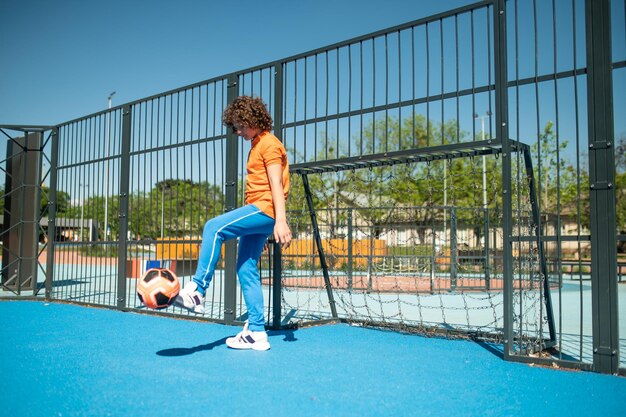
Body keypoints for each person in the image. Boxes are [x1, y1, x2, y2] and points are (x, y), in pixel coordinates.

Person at [174, 96, 291, 351]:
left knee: (213, 227)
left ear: (251, 119)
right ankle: (257, 333)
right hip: (262, 212)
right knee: (245, 268)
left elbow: (276, 185)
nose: (237, 132)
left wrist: (280, 221)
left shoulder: (269, 144)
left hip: (265, 209)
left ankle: (196, 291)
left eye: (239, 126)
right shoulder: (258, 143)